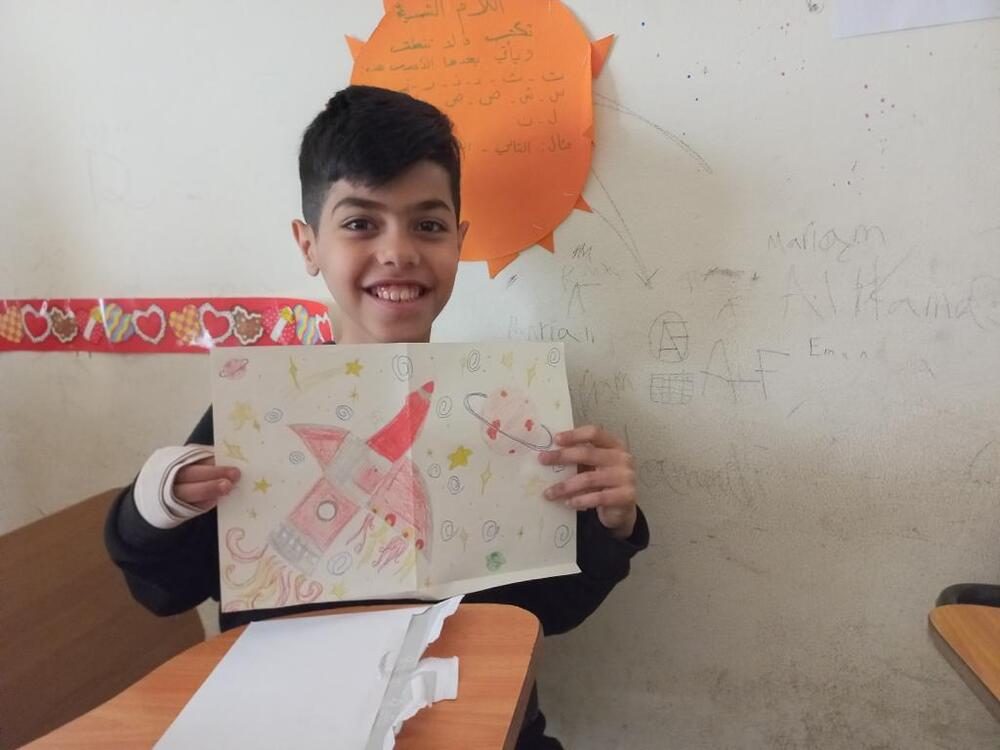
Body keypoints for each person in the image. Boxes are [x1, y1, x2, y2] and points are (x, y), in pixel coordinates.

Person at [105, 84, 648, 749]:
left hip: (479, 729)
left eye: (428, 225)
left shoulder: (507, 411)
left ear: (459, 241)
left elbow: (550, 613)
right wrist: (153, 504)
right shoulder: (258, 414)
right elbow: (163, 590)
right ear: (309, 245)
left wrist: (608, 527)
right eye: (361, 223)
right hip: (301, 731)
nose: (399, 251)